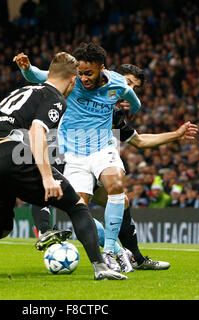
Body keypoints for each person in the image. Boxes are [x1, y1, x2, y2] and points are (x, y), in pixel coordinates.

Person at [0, 52, 127, 281]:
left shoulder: (21, 90)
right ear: (72, 80)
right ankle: (100, 267)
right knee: (77, 206)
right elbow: (36, 132)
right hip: (11, 154)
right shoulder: (55, 98)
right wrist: (47, 177)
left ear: (49, 74)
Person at [16, 59, 197, 271]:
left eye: (134, 88)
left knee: (121, 200)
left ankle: (134, 257)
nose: (129, 89)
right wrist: (27, 69)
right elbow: (43, 76)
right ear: (113, 77)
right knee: (69, 203)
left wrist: (174, 136)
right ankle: (110, 250)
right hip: (67, 156)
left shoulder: (113, 113)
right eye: (128, 83)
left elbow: (139, 141)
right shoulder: (80, 90)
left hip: (94, 160)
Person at [14, 43, 143, 271]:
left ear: (102, 68)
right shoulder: (71, 80)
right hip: (73, 155)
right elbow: (37, 75)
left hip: (103, 149)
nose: (83, 78)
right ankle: (121, 252)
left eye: (88, 73)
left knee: (115, 185)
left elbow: (135, 102)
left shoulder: (117, 83)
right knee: (79, 209)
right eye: (80, 73)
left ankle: (110, 251)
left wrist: (127, 106)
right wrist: (26, 68)